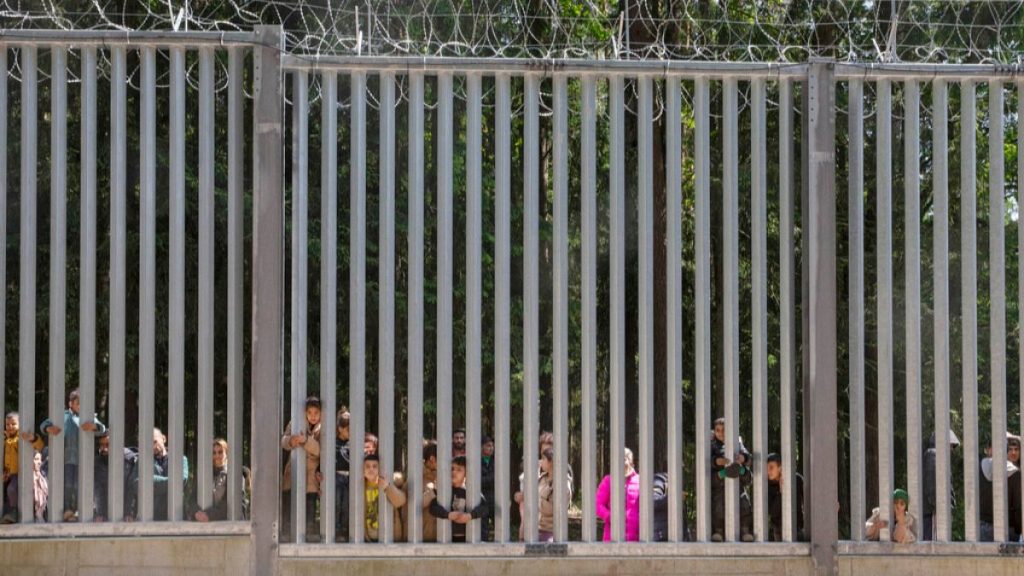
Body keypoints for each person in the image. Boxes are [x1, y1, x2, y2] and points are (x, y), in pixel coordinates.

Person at [40, 389, 107, 521]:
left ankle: (76, 510)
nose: (82, 406)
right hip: (66, 458)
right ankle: (66, 509)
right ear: (71, 403)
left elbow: (102, 428)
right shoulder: (62, 416)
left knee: (79, 484)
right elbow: (44, 424)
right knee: (67, 484)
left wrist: (93, 426)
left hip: (83, 459)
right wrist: (48, 428)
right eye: (78, 403)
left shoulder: (89, 417)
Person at [281, 396, 322, 541]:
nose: (312, 416)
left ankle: (309, 531)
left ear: (321, 414)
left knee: (309, 505)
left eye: (316, 413)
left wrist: (305, 440)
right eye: (309, 413)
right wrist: (291, 441)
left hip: (310, 474)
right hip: (293, 470)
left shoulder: (323, 428)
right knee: (289, 501)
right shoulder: (295, 423)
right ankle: (286, 531)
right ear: (304, 412)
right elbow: (283, 441)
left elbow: (319, 450)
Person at [710, 418, 754, 542]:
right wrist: (716, 461)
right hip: (721, 483)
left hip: (737, 482)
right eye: (718, 430)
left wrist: (743, 458)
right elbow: (709, 460)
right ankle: (719, 531)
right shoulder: (713, 445)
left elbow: (747, 456)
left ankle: (745, 530)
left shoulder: (737, 443)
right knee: (718, 507)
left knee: (744, 505)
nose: (721, 433)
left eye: (724, 430)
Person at [428, 455, 488, 542]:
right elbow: (433, 508)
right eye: (452, 469)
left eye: (459, 470)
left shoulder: (471, 492)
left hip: (468, 537)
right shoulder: (443, 492)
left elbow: (485, 508)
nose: (454, 472)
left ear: (466, 474)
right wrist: (447, 515)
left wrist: (470, 516)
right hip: (448, 537)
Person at [3, 412, 44, 523]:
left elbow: (39, 445)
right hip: (9, 473)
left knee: (11, 489)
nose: (10, 427)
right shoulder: (6, 440)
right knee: (7, 493)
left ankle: (14, 512)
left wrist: (33, 438)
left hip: (19, 473)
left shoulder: (21, 438)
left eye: (13, 424)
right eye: (7, 424)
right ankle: (8, 512)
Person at [979, 432, 1021, 542]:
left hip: (983, 527)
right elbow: (1018, 505)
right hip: (1008, 528)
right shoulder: (1015, 472)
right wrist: (1019, 530)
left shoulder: (978, 467)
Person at [193, 439, 248, 522]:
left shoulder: (235, 474)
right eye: (214, 453)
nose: (217, 456)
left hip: (231, 525)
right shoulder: (204, 474)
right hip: (206, 525)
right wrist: (196, 513)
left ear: (227, 453)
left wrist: (209, 515)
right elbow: (192, 498)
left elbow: (234, 503)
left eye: (220, 452)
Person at [922, 430, 960, 540]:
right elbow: (932, 487)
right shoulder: (933, 455)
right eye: (950, 445)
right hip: (933, 515)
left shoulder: (935, 456)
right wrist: (940, 510)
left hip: (934, 514)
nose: (951, 449)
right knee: (933, 552)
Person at [595, 447, 640, 542]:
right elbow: (598, 505)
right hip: (612, 539)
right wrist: (609, 516)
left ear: (631, 462)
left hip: (636, 541)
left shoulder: (640, 481)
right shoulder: (608, 481)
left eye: (624, 459)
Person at [361, 453, 406, 542]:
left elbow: (401, 501)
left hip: (389, 537)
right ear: (362, 469)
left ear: (379, 469)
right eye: (367, 466)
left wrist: (387, 487)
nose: (371, 469)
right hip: (367, 538)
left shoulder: (390, 483)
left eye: (375, 466)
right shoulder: (359, 488)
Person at [151, 427, 190, 521]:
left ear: (163, 438)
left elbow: (182, 480)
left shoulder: (180, 458)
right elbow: (137, 482)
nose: (152, 446)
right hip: (152, 516)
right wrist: (171, 483)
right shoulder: (144, 460)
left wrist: (153, 483)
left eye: (154, 441)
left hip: (176, 515)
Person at [766, 452, 804, 541]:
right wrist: (781, 493)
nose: (768, 471)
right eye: (767, 468)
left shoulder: (797, 479)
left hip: (798, 527)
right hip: (779, 530)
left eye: (771, 467)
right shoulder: (766, 486)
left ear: (780, 467)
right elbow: (772, 512)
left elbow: (809, 499)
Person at [537, 448, 572, 542]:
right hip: (537, 528)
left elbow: (554, 509)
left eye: (543, 459)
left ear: (551, 462)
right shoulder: (542, 479)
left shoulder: (563, 482)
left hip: (551, 530)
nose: (541, 462)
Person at [334, 406, 352, 542]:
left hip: (349, 476)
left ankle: (345, 530)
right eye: (348, 429)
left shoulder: (353, 443)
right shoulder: (334, 442)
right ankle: (335, 529)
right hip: (336, 476)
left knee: (347, 504)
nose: (351, 432)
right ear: (340, 428)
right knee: (336, 503)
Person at [481, 435, 495, 537]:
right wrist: (492, 478)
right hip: (482, 497)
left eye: (492, 446)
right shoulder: (476, 460)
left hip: (494, 497)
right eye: (488, 445)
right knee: (483, 528)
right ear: (481, 447)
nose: (491, 448)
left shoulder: (496, 460)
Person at [31, 451, 48, 522]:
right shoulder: (27, 478)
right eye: (36, 459)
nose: (39, 462)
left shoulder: (43, 477)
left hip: (43, 515)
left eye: (40, 460)